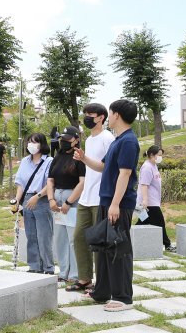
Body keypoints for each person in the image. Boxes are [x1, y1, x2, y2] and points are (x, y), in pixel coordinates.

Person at [74, 99, 139, 311]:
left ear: (116, 115)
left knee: (118, 249)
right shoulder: (118, 141)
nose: (109, 117)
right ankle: (101, 291)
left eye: (110, 113)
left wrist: (115, 204)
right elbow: (102, 167)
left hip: (117, 204)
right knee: (103, 249)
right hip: (107, 201)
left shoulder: (128, 141)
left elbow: (125, 174)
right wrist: (84, 159)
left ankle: (123, 297)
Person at [69, 103, 114, 292]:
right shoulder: (89, 140)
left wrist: (84, 158)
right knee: (79, 237)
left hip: (100, 197)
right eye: (85, 114)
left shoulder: (108, 138)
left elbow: (107, 167)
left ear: (101, 117)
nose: (87, 117)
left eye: (91, 114)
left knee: (98, 241)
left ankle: (102, 282)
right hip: (86, 197)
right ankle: (84, 278)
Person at [46, 126, 85, 283]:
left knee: (72, 239)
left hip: (72, 199)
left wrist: (69, 202)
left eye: (68, 139)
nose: (64, 142)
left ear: (76, 140)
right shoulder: (58, 156)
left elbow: (82, 182)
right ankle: (63, 271)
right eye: (63, 139)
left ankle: (74, 274)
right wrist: (51, 199)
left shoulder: (79, 158)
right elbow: (50, 180)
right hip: (57, 198)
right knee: (60, 238)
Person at [11, 133, 54, 274]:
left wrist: (38, 196)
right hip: (27, 199)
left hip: (41, 199)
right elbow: (21, 184)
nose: (31, 145)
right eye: (29, 142)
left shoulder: (49, 161)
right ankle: (34, 266)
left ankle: (48, 267)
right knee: (31, 235)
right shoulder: (24, 161)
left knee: (44, 236)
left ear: (42, 144)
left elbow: (50, 184)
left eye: (35, 142)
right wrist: (17, 201)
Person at [135, 145, 175, 252]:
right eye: (159, 155)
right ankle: (167, 245)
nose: (160, 157)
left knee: (141, 223)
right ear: (152, 155)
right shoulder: (147, 167)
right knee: (159, 222)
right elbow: (144, 185)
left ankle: (127, 240)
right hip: (148, 202)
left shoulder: (153, 165)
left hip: (150, 201)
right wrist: (145, 201)